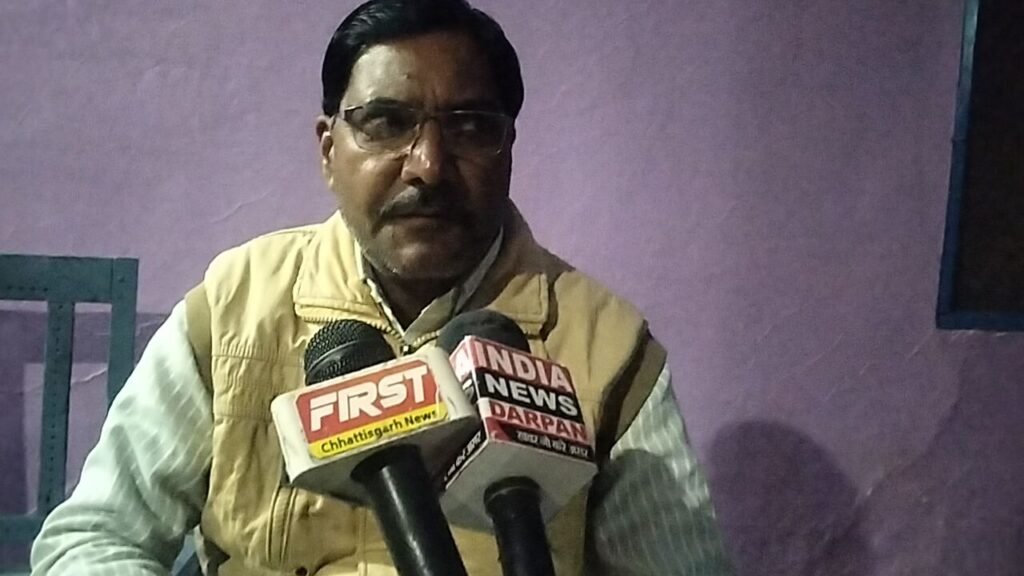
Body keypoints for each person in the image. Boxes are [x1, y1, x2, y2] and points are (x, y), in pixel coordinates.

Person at [31, 0, 733, 574]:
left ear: (508, 151)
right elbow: (94, 538)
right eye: (387, 124)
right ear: (329, 149)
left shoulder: (607, 347)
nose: (428, 164)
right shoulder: (236, 302)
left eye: (469, 127)